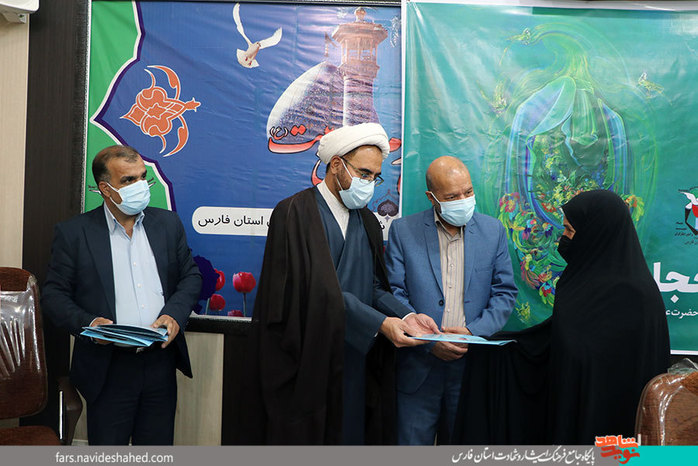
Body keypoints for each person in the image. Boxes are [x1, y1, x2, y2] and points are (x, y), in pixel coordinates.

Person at [243, 123, 439, 445]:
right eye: (363, 173)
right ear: (336, 165)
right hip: (307, 359)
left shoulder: (368, 221)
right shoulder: (293, 213)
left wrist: (406, 316)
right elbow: (312, 291)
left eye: (375, 177)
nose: (369, 184)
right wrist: (380, 323)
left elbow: (375, 287)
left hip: (355, 358)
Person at [452, 189, 670, 445]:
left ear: (595, 234)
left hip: (615, 434)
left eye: (569, 230)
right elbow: (553, 341)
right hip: (572, 418)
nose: (563, 238)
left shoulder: (637, 297)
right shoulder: (579, 282)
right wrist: (486, 346)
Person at [42, 145, 202, 445]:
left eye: (142, 177)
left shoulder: (168, 224)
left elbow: (190, 277)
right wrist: (91, 324)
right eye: (128, 180)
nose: (140, 186)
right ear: (105, 189)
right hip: (108, 367)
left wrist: (174, 314)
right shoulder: (75, 233)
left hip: (159, 362)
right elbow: (53, 296)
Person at [385, 156, 517, 445]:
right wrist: (428, 341)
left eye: (468, 192)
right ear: (431, 197)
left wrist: (473, 333)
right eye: (452, 197)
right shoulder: (404, 231)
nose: (463, 201)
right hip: (418, 368)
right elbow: (394, 292)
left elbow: (505, 292)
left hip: (472, 367)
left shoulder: (493, 231)